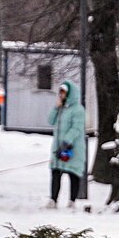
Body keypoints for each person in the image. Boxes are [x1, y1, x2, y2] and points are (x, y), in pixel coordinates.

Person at [47, 79, 86, 209]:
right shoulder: (61, 109)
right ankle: (53, 199)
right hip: (58, 147)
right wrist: (55, 107)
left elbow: (77, 128)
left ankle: (72, 200)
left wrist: (67, 141)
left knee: (73, 174)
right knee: (55, 172)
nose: (61, 95)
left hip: (72, 147)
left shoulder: (78, 110)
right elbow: (50, 121)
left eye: (64, 92)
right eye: (60, 92)